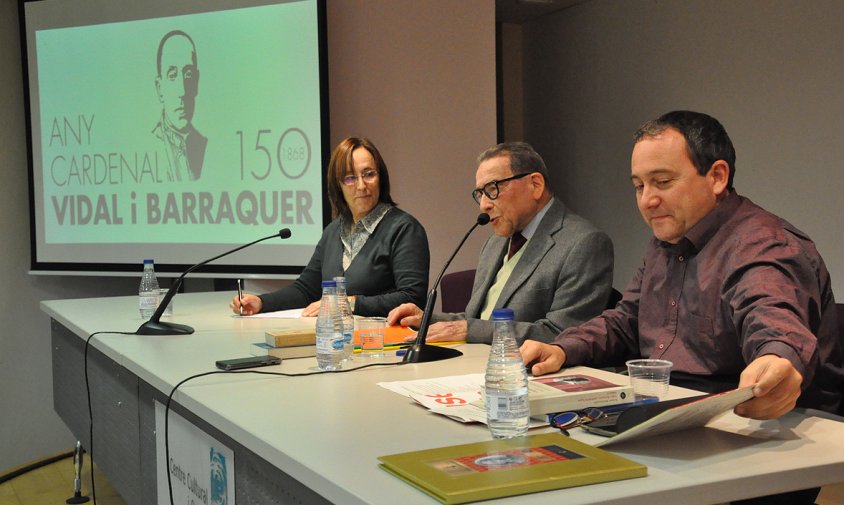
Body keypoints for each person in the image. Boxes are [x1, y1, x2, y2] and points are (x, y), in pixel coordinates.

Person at [521, 110, 843, 423]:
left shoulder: (763, 244)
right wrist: (562, 348)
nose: (647, 200)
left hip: (752, 426)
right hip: (670, 410)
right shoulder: (668, 241)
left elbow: (774, 322)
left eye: (662, 181)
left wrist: (776, 358)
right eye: (639, 185)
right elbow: (626, 322)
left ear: (717, 177)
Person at [387, 142, 614, 344]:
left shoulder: (583, 243)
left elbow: (564, 334)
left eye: (493, 189)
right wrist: (425, 319)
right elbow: (478, 322)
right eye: (480, 194)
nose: (483, 205)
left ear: (535, 184)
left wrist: (469, 329)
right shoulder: (495, 244)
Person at [231, 137, 430, 317]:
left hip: (381, 341)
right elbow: (306, 289)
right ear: (338, 186)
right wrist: (262, 302)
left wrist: (349, 303)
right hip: (336, 338)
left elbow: (412, 297)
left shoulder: (404, 229)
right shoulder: (334, 231)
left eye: (369, 174)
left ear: (381, 178)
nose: (361, 185)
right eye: (350, 178)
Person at [153, 30, 207, 182]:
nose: (182, 91)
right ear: (159, 88)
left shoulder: (205, 145)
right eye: (172, 75)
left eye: (188, 74)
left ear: (196, 83)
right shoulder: (148, 146)